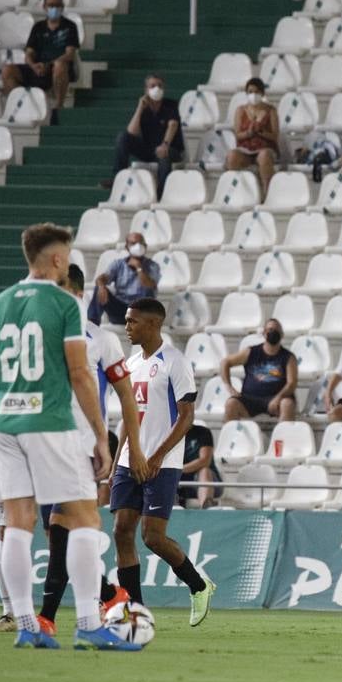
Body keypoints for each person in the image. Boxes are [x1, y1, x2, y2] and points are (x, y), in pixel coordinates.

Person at [0, 222, 138, 651]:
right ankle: (88, 622)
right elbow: (81, 374)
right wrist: (102, 437)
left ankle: (28, 624)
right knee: (84, 519)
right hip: (51, 423)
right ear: (58, 258)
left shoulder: (0, 303)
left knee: (17, 525)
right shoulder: (65, 305)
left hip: (9, 426)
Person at [37, 263, 146, 635]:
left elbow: (127, 399)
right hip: (41, 446)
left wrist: (127, 450)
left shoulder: (101, 341)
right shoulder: (43, 337)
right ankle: (110, 595)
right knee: (57, 536)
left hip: (81, 447)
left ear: (77, 294)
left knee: (59, 526)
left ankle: (47, 618)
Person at [111, 298, 217, 626]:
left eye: (133, 322)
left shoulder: (174, 362)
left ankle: (199, 585)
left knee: (152, 537)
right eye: (126, 321)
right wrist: (118, 462)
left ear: (153, 324)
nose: (127, 327)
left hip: (162, 463)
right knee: (121, 531)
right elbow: (130, 419)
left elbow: (186, 417)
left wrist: (156, 457)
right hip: (131, 461)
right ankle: (136, 612)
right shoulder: (130, 364)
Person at [0, 0, 78, 125]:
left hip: (58, 68)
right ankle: (25, 103)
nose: (54, 8)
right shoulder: (38, 27)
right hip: (38, 68)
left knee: (60, 65)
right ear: (44, 7)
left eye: (57, 5)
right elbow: (29, 54)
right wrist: (34, 66)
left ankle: (59, 107)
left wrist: (49, 64)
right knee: (8, 70)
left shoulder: (70, 26)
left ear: (62, 7)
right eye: (51, 5)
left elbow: (70, 54)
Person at [100, 74, 184, 198]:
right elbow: (131, 132)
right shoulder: (144, 108)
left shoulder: (171, 104)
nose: (157, 89)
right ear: (146, 90)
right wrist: (140, 108)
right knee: (122, 137)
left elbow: (173, 125)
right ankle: (117, 179)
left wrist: (165, 144)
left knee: (164, 156)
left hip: (171, 149)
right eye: (153, 86)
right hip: (149, 149)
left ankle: (161, 195)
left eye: (160, 86)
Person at [222, 319, 299, 422]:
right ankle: (230, 437)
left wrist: (278, 398)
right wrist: (229, 387)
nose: (273, 332)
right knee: (231, 404)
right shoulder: (251, 352)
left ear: (282, 334)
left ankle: (283, 437)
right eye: (270, 329)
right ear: (264, 333)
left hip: (276, 398)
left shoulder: (289, 357)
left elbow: (292, 383)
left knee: (287, 404)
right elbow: (225, 363)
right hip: (250, 399)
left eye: (276, 330)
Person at [88, 233, 160, 326]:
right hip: (120, 310)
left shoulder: (152, 266)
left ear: (145, 247)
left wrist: (139, 268)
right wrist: (101, 286)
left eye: (140, 243)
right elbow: (102, 278)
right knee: (98, 288)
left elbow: (149, 284)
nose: (137, 246)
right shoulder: (118, 264)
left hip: (142, 313)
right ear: (127, 247)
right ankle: (92, 326)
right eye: (133, 244)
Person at [226, 77, 280, 194]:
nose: (253, 95)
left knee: (264, 155)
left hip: (265, 148)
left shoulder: (271, 111)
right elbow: (238, 135)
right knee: (232, 156)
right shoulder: (240, 110)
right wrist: (249, 133)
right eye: (250, 92)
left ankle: (267, 192)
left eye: (257, 92)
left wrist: (261, 132)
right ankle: (236, 190)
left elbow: (275, 136)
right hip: (246, 149)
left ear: (262, 93)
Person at [180, 423, 221, 508]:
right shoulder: (168, 435)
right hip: (179, 483)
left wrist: (179, 470)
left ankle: (206, 506)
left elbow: (205, 461)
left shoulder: (203, 432)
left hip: (209, 482)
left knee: (204, 470)